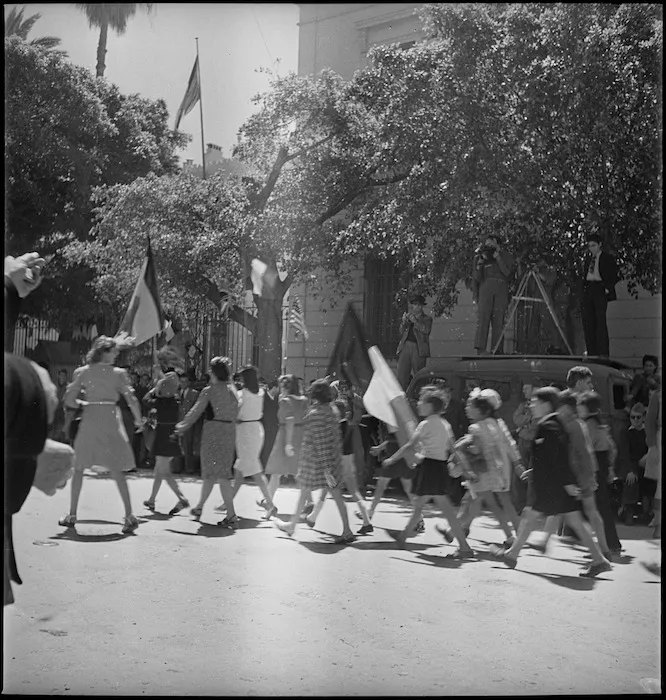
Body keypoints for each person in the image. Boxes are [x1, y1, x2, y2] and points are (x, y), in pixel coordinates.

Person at [490, 387, 612, 578]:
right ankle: (599, 559)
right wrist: (536, 472)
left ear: (546, 404)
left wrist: (568, 482)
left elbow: (560, 457)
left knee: (534, 516)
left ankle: (512, 554)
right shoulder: (552, 423)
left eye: (535, 402)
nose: (531, 405)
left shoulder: (550, 425)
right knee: (563, 520)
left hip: (553, 486)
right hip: (555, 484)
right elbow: (548, 457)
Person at [59, 335, 144, 535]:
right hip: (110, 421)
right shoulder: (118, 374)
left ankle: (72, 515)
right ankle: (130, 516)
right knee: (116, 469)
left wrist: (83, 404)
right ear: (104, 352)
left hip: (90, 420)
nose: (116, 354)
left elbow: (70, 399)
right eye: (113, 351)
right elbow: (131, 399)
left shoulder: (82, 372)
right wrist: (139, 420)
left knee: (79, 467)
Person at [384, 387, 473, 557]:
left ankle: (464, 547)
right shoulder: (445, 424)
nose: (418, 404)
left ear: (430, 406)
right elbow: (453, 449)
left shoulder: (425, 425)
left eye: (421, 401)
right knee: (426, 505)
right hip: (439, 468)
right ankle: (403, 537)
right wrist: (466, 470)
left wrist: (392, 459)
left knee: (425, 505)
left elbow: (410, 445)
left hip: (429, 467)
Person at [532, 390, 612, 559]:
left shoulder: (571, 425)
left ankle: (602, 551)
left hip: (579, 474)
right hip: (583, 473)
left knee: (584, 512)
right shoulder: (578, 423)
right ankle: (545, 541)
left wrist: (582, 478)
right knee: (565, 508)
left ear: (566, 408)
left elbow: (577, 453)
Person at [274, 379, 356, 544]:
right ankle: (346, 530)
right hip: (331, 462)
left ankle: (292, 526)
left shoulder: (316, 415)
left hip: (317, 465)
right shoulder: (332, 411)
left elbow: (320, 443)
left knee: (305, 491)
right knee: (335, 496)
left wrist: (327, 470)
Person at [452, 389, 521, 546]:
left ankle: (515, 534)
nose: (468, 407)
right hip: (496, 467)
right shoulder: (494, 423)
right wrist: (516, 462)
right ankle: (461, 528)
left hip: (489, 469)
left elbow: (502, 445)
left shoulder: (482, 426)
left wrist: (466, 448)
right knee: (476, 498)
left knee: (482, 498)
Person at [174, 357, 238, 523]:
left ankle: (231, 515)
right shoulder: (232, 390)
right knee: (216, 473)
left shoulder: (209, 391)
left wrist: (182, 426)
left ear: (214, 372)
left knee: (217, 474)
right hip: (229, 433)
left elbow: (195, 412)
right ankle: (199, 507)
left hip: (213, 433)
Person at [306, 397, 374, 535]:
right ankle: (366, 521)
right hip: (348, 460)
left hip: (337, 462)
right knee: (353, 491)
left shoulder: (336, 426)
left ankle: (313, 517)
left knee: (328, 488)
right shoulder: (348, 425)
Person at [229, 365, 278, 521]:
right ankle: (227, 501)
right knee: (241, 469)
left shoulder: (242, 394)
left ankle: (270, 504)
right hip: (256, 429)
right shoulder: (261, 393)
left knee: (254, 471)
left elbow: (236, 411)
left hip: (245, 431)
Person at [577, 391, 622, 555]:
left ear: (586, 407)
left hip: (593, 465)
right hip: (601, 465)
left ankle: (609, 545)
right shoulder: (599, 423)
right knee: (599, 507)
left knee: (595, 507)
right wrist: (609, 467)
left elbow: (585, 449)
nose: (578, 408)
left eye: (580, 405)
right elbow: (613, 448)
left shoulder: (588, 424)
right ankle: (611, 544)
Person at [361, 420, 422, 531]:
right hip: (404, 460)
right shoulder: (399, 418)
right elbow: (393, 440)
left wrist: (389, 457)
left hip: (396, 459)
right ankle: (419, 519)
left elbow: (397, 440)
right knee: (408, 490)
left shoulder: (394, 419)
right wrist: (379, 448)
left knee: (380, 487)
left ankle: (369, 516)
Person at [142, 372, 189, 515]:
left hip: (162, 437)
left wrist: (154, 389)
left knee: (165, 472)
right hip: (172, 436)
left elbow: (145, 399)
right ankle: (151, 499)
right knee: (159, 470)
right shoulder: (176, 401)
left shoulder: (159, 402)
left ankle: (182, 499)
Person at [264, 374, 308, 507]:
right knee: (299, 472)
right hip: (300, 435)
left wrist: (288, 443)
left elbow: (289, 421)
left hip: (285, 436)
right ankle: (309, 502)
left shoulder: (285, 401)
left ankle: (269, 502)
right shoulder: (304, 400)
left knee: (276, 472)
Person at [472, 234, 514, 355]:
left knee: (499, 319)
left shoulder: (506, 255)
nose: (487, 246)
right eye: (486, 244)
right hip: (486, 287)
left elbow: (507, 273)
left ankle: (497, 350)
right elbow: (477, 278)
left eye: (490, 243)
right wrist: (479, 264)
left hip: (501, 287)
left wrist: (498, 258)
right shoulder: (481, 255)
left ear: (496, 242)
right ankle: (481, 349)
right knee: (483, 317)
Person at [580, 233, 618, 358]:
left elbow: (614, 274)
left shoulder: (607, 258)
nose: (592, 249)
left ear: (600, 245)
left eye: (594, 245)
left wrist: (607, 287)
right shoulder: (587, 259)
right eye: (590, 246)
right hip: (589, 288)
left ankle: (603, 353)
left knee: (600, 322)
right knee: (588, 322)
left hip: (599, 288)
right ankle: (592, 353)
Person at [616, 403, 649, 525]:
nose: (635, 420)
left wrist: (648, 456)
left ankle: (647, 511)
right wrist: (631, 470)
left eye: (638, 417)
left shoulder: (648, 433)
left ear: (644, 417)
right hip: (631, 464)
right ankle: (629, 511)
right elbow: (624, 454)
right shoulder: (626, 433)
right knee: (631, 479)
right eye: (632, 417)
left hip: (647, 464)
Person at [396, 294, 433, 390]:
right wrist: (404, 322)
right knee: (402, 374)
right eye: (413, 304)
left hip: (418, 347)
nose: (414, 306)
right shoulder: (409, 316)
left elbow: (426, 330)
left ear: (421, 306)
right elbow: (401, 332)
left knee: (419, 374)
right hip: (405, 346)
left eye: (416, 304)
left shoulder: (427, 318)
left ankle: (418, 396)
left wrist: (415, 321)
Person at [643, 384, 661, 539]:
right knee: (661, 486)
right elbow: (649, 422)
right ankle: (659, 525)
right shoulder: (658, 396)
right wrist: (653, 446)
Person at [176, 371, 201, 475]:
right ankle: (176, 468)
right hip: (177, 421)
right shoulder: (176, 393)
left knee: (188, 446)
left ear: (189, 382)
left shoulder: (194, 393)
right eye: (181, 382)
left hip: (188, 423)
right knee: (177, 446)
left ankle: (189, 468)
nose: (183, 384)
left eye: (185, 382)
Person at [260, 377, 280, 471]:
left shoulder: (277, 399)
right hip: (264, 428)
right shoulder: (263, 397)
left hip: (274, 428)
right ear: (275, 387)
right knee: (265, 450)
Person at [48, 369, 69, 443]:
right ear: (58, 375)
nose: (62, 377)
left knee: (60, 429)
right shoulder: (53, 385)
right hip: (54, 410)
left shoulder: (69, 387)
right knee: (51, 430)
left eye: (64, 375)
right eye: (61, 375)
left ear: (66, 377)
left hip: (63, 411)